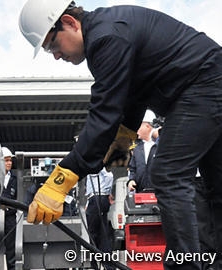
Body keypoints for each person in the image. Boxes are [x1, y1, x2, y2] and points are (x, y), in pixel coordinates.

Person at [19, 1, 222, 269]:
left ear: (69, 22)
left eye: (53, 45)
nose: (56, 55)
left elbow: (105, 114)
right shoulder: (109, 33)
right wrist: (120, 148)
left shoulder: (107, 37)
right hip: (208, 82)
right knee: (217, 186)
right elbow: (132, 98)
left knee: (168, 173)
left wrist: (61, 180)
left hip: (205, 84)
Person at [85, 167, 114, 270]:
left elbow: (109, 176)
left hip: (98, 197)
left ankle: (94, 265)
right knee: (102, 232)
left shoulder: (97, 162)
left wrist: (106, 192)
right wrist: (89, 202)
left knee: (93, 234)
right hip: (96, 198)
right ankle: (107, 265)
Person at [127, 110, 157, 192]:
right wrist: (131, 180)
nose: (136, 130)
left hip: (160, 193)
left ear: (147, 126)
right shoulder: (137, 149)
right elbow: (132, 168)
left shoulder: (161, 146)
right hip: (141, 192)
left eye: (139, 126)